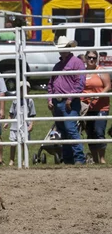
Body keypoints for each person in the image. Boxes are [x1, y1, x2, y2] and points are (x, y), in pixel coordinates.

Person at [47, 36, 86, 165]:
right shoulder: (58, 65)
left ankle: (79, 158)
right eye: (60, 48)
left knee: (70, 129)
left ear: (69, 48)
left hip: (70, 102)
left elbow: (80, 83)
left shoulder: (77, 63)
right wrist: (50, 99)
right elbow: (51, 84)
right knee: (63, 131)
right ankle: (69, 159)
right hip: (58, 102)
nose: (62, 50)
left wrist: (70, 98)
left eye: (64, 48)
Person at [82, 50, 110, 164]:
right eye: (89, 57)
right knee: (90, 133)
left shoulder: (100, 71)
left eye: (94, 57)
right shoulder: (81, 72)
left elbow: (108, 86)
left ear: (97, 59)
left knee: (99, 131)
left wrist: (98, 95)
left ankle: (102, 158)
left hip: (101, 107)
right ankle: (95, 158)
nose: (91, 60)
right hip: (86, 107)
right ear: (85, 58)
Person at [4, 81, 36, 166]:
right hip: (14, 126)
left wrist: (31, 125)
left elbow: (32, 115)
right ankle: (11, 160)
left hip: (25, 126)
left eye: (26, 89)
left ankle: (24, 160)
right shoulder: (15, 100)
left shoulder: (30, 101)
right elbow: (11, 113)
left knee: (24, 144)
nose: (24, 90)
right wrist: (7, 122)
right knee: (13, 144)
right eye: (22, 89)